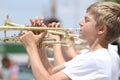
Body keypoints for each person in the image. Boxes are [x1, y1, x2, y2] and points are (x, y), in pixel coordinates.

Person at [19, 1, 120, 80]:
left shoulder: (96, 59)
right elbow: (51, 71)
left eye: (87, 20)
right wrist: (38, 44)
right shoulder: (90, 55)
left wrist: (30, 47)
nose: (80, 22)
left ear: (101, 29)